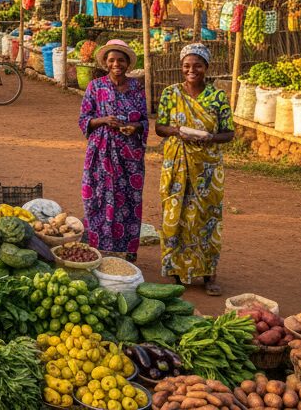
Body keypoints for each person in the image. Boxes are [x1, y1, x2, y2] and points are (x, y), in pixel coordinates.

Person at [153, 43, 233, 294]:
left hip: (207, 167)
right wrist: (177, 131)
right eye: (187, 65)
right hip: (176, 163)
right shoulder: (171, 93)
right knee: (175, 215)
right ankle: (177, 270)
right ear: (181, 67)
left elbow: (229, 133)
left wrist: (210, 137)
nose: (191, 70)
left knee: (207, 218)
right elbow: (159, 127)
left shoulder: (217, 97)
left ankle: (209, 274)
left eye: (197, 65)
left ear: (206, 67)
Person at [77, 39, 149, 260]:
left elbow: (144, 120)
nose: (116, 64)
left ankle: (128, 247)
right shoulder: (95, 86)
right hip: (101, 152)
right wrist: (104, 120)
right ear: (106, 63)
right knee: (98, 195)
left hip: (130, 155)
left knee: (129, 198)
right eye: (112, 60)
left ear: (127, 63)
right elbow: (84, 119)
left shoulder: (136, 87)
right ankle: (98, 244)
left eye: (121, 60)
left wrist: (133, 127)